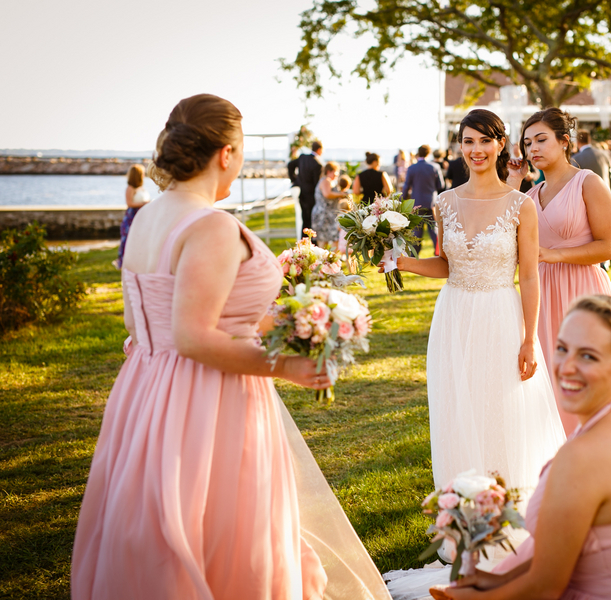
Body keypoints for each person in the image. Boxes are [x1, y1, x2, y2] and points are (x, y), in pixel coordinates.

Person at [70, 94, 390, 599]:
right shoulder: (211, 225)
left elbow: (141, 324)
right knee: (226, 531)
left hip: (145, 394)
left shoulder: (147, 219)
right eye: (240, 151)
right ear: (226, 153)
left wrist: (277, 319)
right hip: (211, 398)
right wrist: (286, 366)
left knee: (166, 527)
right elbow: (194, 337)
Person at [430, 296, 611, 600]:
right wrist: (492, 581)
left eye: (588, 356)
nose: (566, 367)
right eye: (563, 349)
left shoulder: (585, 455)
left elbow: (545, 588)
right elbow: (579, 551)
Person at [389, 109, 565, 495]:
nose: (476, 150)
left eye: (485, 140)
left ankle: (507, 507)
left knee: (501, 411)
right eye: (468, 141)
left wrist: (529, 338)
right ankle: (464, 507)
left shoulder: (521, 205)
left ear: (501, 144)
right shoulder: (444, 202)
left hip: (501, 315)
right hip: (453, 316)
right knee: (457, 409)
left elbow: (530, 275)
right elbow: (448, 265)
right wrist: (402, 262)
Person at [508, 108, 611, 435]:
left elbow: (608, 247)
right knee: (550, 383)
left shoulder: (588, 182)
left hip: (583, 292)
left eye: (541, 140)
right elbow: (504, 240)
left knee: (589, 378)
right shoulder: (528, 196)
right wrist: (514, 181)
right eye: (527, 144)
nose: (533, 149)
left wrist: (554, 255)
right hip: (540, 295)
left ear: (564, 141)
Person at [402, 144, 445, 254]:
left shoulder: (412, 168)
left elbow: (406, 186)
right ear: (428, 153)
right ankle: (439, 251)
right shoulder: (434, 167)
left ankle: (414, 254)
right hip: (431, 202)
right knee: (433, 229)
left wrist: (402, 200)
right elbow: (441, 185)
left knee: (416, 230)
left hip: (416, 203)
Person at [114, 164, 151, 270]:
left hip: (142, 217)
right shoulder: (130, 188)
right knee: (127, 240)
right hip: (132, 217)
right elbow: (129, 203)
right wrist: (144, 203)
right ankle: (124, 263)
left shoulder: (142, 188)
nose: (144, 175)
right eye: (142, 173)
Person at [312, 161, 350, 248]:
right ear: (329, 171)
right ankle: (324, 260)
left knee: (334, 240)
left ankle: (331, 260)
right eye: (336, 172)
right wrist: (342, 194)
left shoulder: (329, 181)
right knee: (323, 242)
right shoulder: (326, 180)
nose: (337, 175)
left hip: (329, 215)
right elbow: (327, 194)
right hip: (324, 215)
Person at [291, 140, 324, 237]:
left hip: (302, 194)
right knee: (310, 220)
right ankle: (310, 242)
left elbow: (290, 165)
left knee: (304, 219)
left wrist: (295, 180)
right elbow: (316, 184)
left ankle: (303, 241)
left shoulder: (302, 157)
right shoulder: (317, 164)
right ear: (319, 150)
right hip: (311, 196)